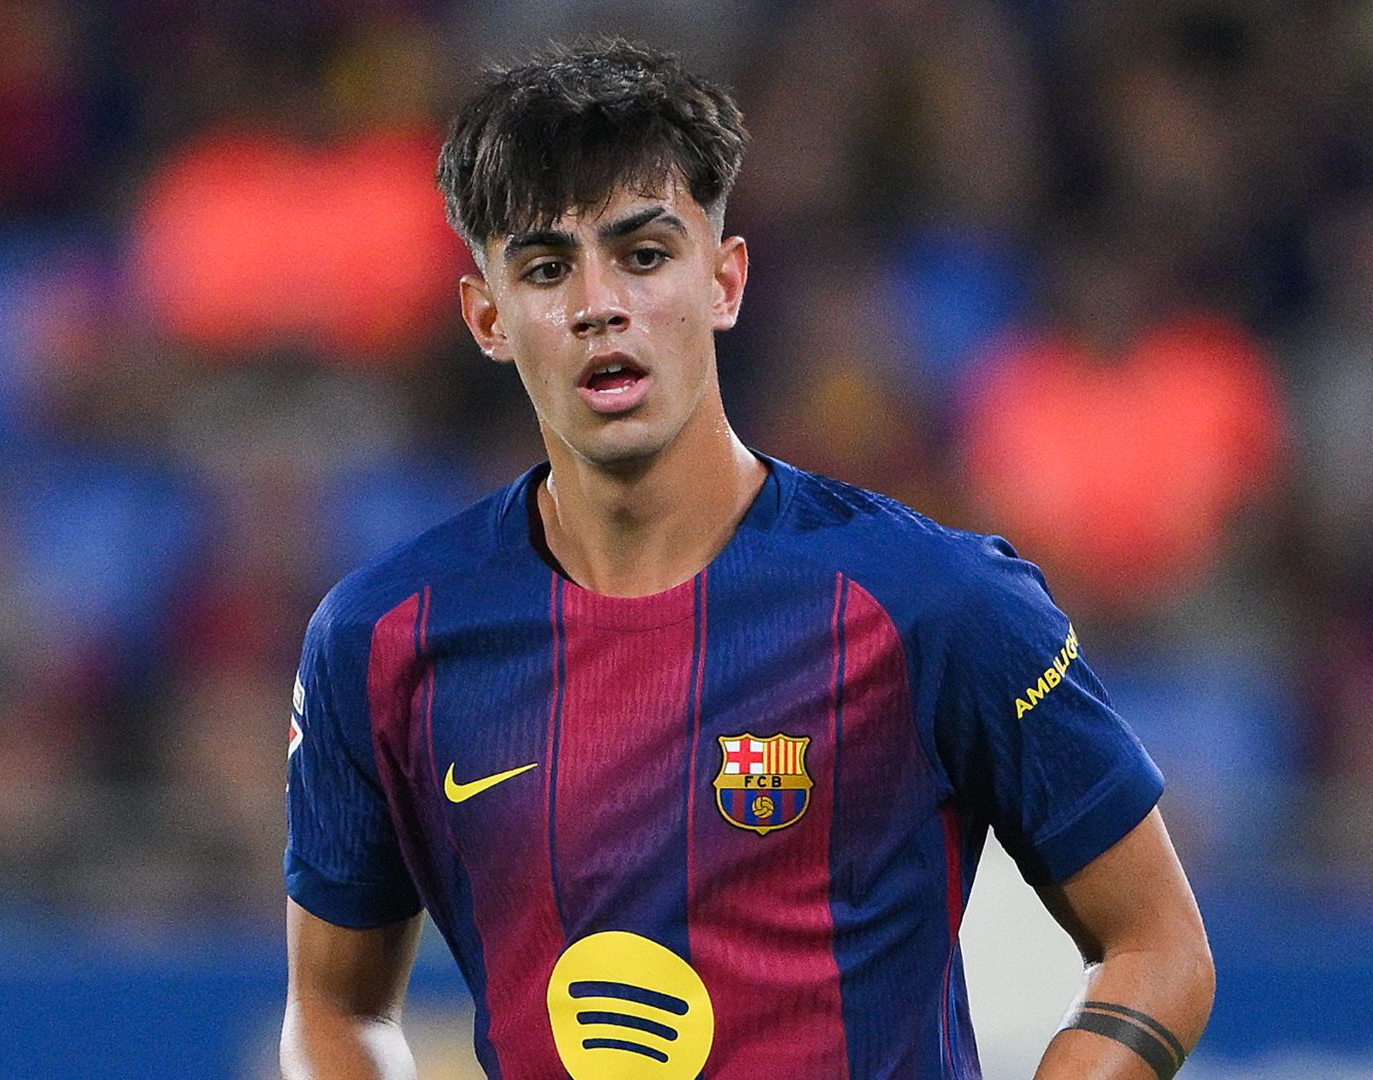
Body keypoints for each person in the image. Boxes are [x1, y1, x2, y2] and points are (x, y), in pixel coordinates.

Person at [281, 39, 1214, 1080]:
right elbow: (336, 1005)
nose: (599, 304)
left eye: (643, 254)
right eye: (547, 268)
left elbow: (1159, 946)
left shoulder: (934, 602)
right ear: (489, 317)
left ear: (724, 280)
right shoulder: (378, 640)